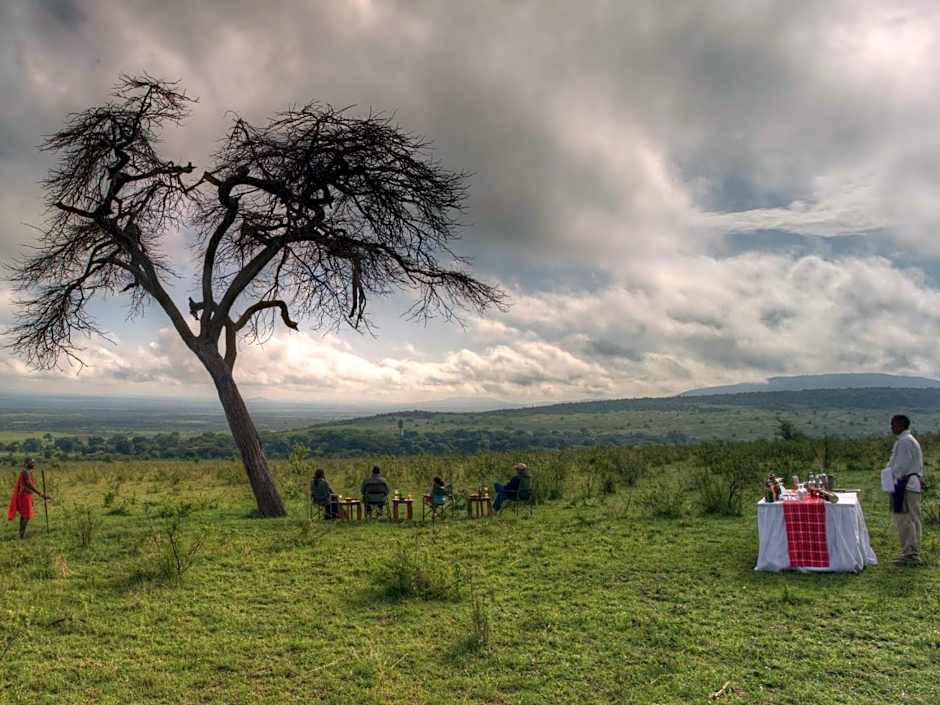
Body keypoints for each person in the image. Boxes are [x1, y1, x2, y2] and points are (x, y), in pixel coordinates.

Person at [883, 414, 925, 565]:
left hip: (905, 484)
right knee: (910, 519)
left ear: (901, 425)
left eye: (893, 424)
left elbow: (901, 466)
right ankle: (910, 552)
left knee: (906, 519)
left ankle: (911, 554)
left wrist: (889, 478)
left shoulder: (905, 441)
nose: (891, 427)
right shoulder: (906, 440)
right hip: (908, 483)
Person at [7, 458, 50, 539]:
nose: (33, 464)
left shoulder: (28, 472)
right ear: (26, 463)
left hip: (27, 495)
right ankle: (22, 535)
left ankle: (21, 534)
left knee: (24, 515)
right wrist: (40, 494)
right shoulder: (25, 472)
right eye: (31, 463)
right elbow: (29, 484)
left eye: (33, 462)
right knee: (27, 516)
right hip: (25, 495)